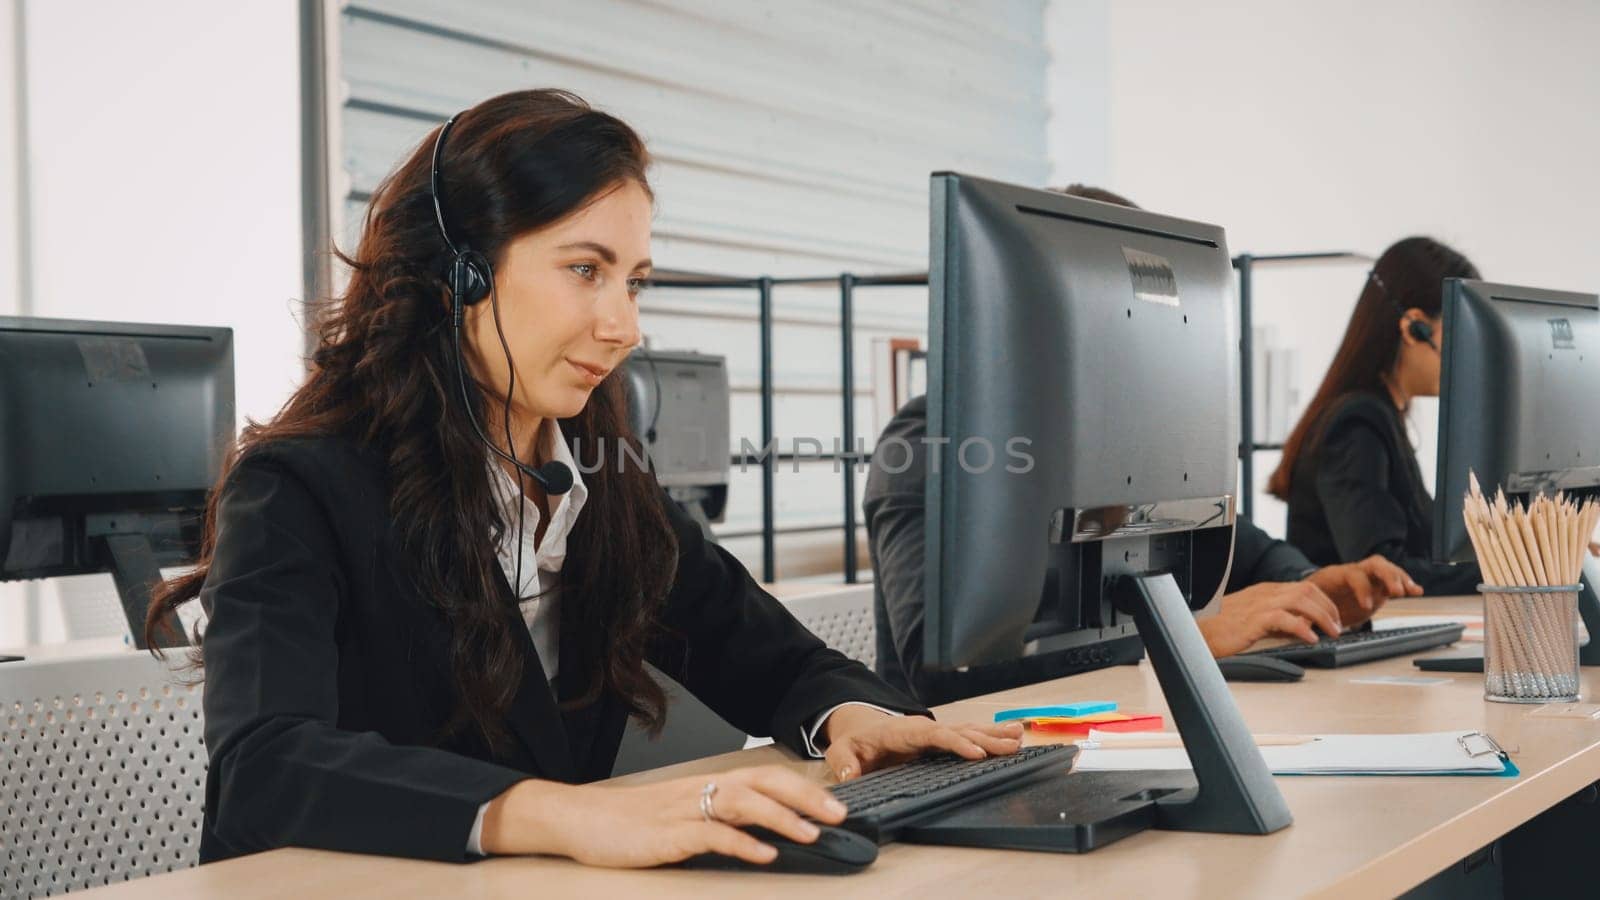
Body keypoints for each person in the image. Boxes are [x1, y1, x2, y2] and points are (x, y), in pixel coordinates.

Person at [144, 90, 1022, 870]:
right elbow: (266, 765)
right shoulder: (298, 488)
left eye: (634, 282)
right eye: (584, 270)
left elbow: (767, 656)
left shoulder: (598, 474)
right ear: (461, 275)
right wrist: (572, 816)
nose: (624, 325)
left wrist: (852, 720)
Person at [866, 394, 1420, 706]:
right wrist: (1178, 636)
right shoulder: (932, 444)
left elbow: (1247, 549)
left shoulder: (1128, 437)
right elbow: (945, 673)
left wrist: (1309, 585)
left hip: (1122, 735)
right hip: (966, 759)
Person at [1270, 237, 1484, 594]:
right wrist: (1504, 574)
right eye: (1459, 335)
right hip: (1343, 634)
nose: (1467, 356)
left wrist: (1529, 555)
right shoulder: (1356, 424)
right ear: (1414, 326)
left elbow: (1426, 548)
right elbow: (1385, 570)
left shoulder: (1384, 415)